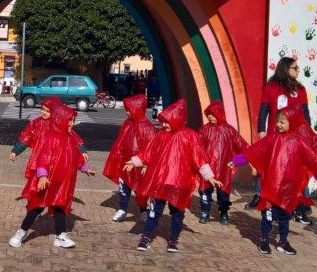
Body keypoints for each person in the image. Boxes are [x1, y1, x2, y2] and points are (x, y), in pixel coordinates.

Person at [230, 105, 317, 256]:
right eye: (277, 121)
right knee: (268, 216)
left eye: (282, 122)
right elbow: (254, 151)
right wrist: (236, 161)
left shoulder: (299, 142)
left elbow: (313, 162)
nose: (278, 125)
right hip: (271, 186)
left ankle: (283, 242)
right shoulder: (272, 139)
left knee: (284, 217)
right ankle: (264, 240)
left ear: (292, 122)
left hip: (288, 190)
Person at [127, 101, 219, 253]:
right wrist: (136, 161)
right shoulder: (161, 135)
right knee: (154, 211)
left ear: (176, 119)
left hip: (179, 183)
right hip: (160, 181)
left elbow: (199, 158)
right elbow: (149, 151)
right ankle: (146, 236)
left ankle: (174, 239)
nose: (163, 125)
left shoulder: (190, 136)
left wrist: (209, 176)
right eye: (162, 121)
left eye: (166, 121)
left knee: (177, 213)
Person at [9, 105, 92, 249]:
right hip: (48, 180)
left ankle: (60, 236)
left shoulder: (71, 137)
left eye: (73, 121)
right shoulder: (51, 137)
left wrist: (85, 168)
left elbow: (76, 157)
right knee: (37, 207)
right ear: (61, 120)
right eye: (70, 120)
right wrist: (42, 175)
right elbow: (43, 157)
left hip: (62, 182)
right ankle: (21, 233)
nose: (72, 124)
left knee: (60, 207)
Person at [252, 58, 311, 209]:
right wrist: (261, 130)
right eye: (295, 68)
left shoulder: (300, 89)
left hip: (295, 137)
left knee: (299, 167)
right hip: (274, 135)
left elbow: (305, 113)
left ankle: (302, 200)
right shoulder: (271, 87)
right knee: (267, 164)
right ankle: (259, 195)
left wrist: (308, 133)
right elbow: (264, 109)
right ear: (286, 69)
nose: (298, 71)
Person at [103, 94, 156, 222]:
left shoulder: (147, 127)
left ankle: (143, 210)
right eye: (127, 109)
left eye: (130, 109)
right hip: (125, 163)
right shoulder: (127, 123)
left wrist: (146, 164)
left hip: (139, 166)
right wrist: (117, 157)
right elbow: (120, 142)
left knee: (141, 191)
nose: (127, 112)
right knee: (124, 188)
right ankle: (122, 209)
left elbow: (151, 148)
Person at [198, 101, 248, 225]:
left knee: (224, 193)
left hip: (223, 168)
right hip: (207, 167)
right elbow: (197, 147)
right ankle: (205, 212)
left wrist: (237, 161)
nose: (210, 117)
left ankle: (224, 213)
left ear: (219, 114)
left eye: (213, 114)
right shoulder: (205, 129)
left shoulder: (229, 130)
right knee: (204, 191)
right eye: (209, 114)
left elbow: (243, 147)